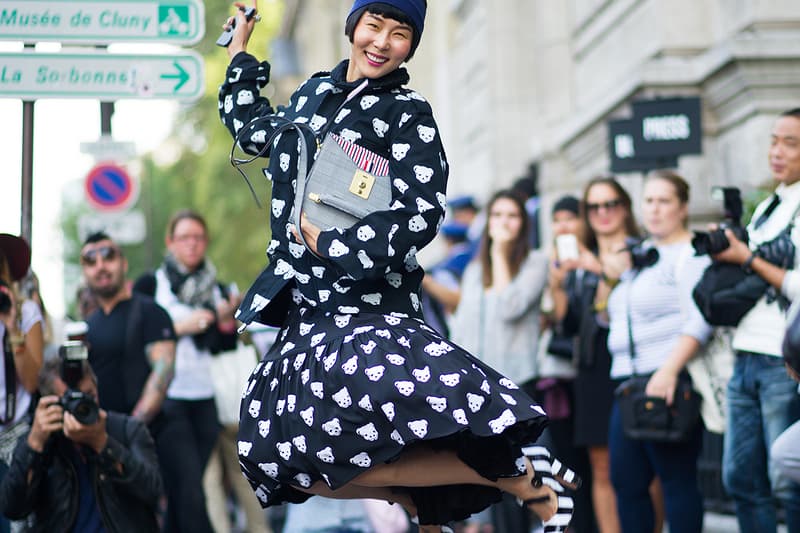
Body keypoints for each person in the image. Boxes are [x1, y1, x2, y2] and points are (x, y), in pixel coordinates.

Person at [218, 2, 576, 532]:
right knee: (281, 459)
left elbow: (422, 213)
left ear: (412, 43)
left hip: (364, 309)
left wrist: (338, 242)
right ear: (353, 28)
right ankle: (422, 498)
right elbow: (254, 133)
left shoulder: (408, 112)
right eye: (373, 26)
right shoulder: (314, 92)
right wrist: (240, 53)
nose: (382, 42)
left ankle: (518, 477)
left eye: (399, 33)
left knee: (380, 435)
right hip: (305, 310)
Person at [605, 171, 710, 532]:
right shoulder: (642, 255)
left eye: (664, 201)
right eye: (648, 200)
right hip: (627, 383)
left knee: (675, 479)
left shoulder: (690, 253)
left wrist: (668, 371)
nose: (654, 209)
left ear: (682, 208)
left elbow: (701, 319)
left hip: (665, 378)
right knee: (626, 481)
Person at [712, 108, 800, 533]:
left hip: (780, 358)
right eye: (773, 140)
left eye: (790, 143)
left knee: (788, 479)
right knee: (739, 478)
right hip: (745, 351)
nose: (777, 151)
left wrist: (745, 257)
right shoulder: (768, 205)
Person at [449, 189, 549, 533]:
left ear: (523, 224)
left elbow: (510, 307)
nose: (504, 223)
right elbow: (462, 328)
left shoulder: (536, 262)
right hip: (482, 390)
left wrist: (502, 254)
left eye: (512, 216)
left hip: (519, 385)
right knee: (495, 480)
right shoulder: (476, 270)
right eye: (498, 216)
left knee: (524, 478)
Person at [548, 178, 639, 533]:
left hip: (632, 362)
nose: (603, 213)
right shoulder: (579, 260)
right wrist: (556, 285)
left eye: (610, 204)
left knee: (639, 466)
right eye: (594, 207)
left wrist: (593, 264)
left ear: (625, 207)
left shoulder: (639, 248)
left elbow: (631, 287)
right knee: (599, 464)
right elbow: (566, 321)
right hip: (591, 364)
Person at [79, 233, 182, 528]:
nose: (100, 266)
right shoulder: (88, 325)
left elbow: (162, 375)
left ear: (123, 263)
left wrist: (126, 431)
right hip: (102, 449)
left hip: (148, 443)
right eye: (90, 260)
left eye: (108, 256)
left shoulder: (149, 311)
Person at [0, 356, 162, 531]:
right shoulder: (41, 440)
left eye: (89, 396)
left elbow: (152, 491)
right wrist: (34, 445)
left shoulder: (127, 430)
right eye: (72, 401)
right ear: (50, 403)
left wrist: (103, 444)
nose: (83, 406)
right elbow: (12, 508)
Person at [0, 234, 44, 533]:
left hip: (15, 439)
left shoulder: (25, 312)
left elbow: (31, 381)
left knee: (17, 524)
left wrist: (11, 326)